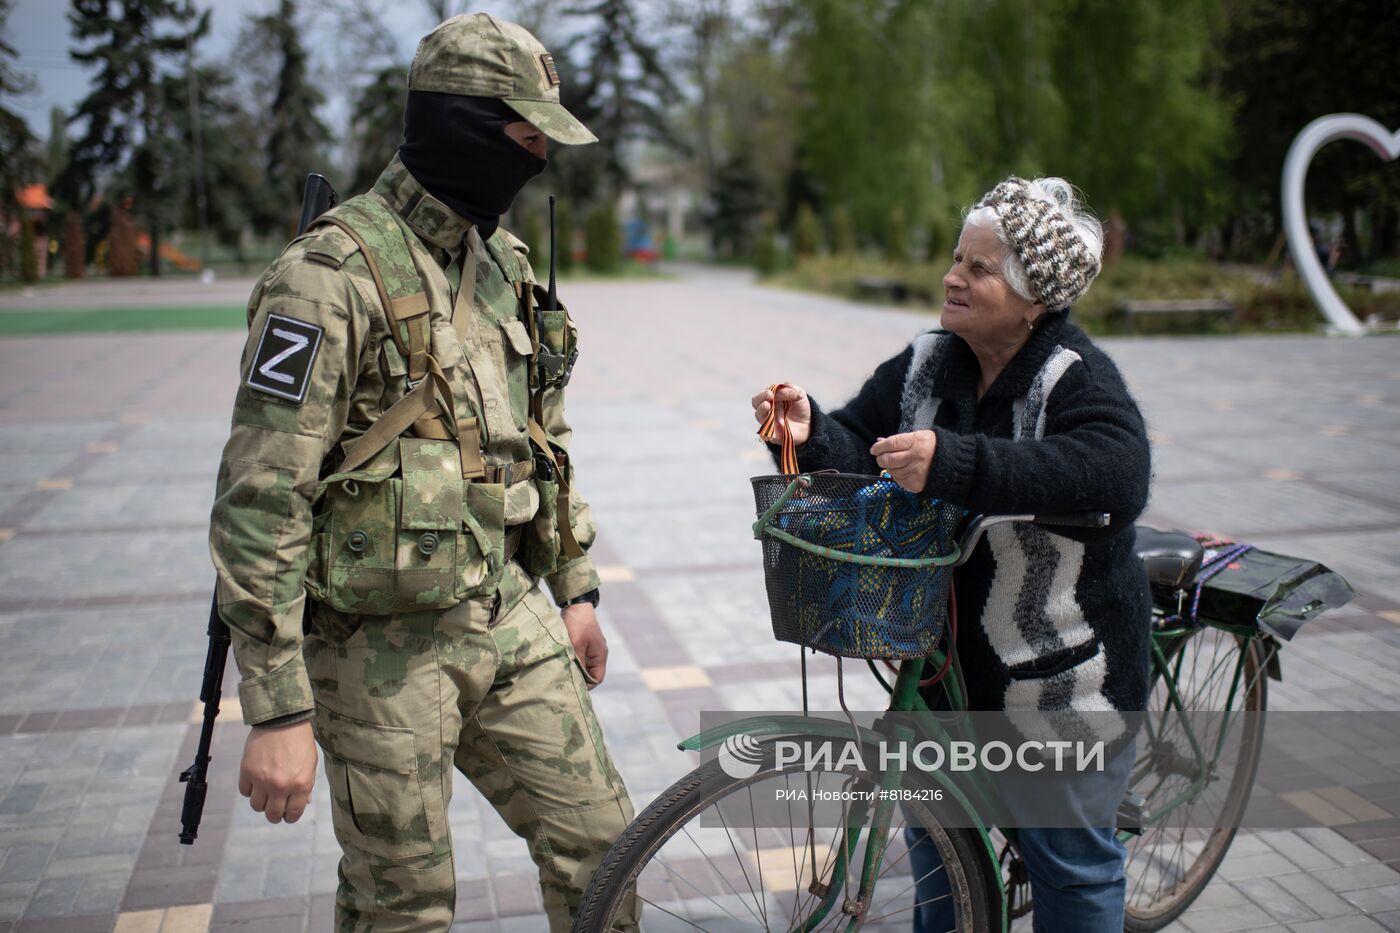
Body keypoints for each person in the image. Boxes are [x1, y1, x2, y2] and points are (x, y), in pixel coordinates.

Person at [208, 14, 637, 931]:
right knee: (402, 907)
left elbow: (542, 436)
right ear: (461, 127)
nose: (536, 162)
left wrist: (574, 584)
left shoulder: (504, 263)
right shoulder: (325, 277)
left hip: (507, 611)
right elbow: (261, 497)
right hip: (378, 650)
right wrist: (276, 710)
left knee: (607, 850)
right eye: (524, 138)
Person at [750, 176, 1152, 931]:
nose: (952, 277)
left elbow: (1120, 470)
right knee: (942, 866)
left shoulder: (1073, 377)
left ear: (1033, 297)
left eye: (978, 267)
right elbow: (865, 446)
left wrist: (958, 463)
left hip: (1060, 679)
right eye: (956, 259)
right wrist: (810, 434)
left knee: (1071, 867)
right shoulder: (929, 362)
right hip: (945, 674)